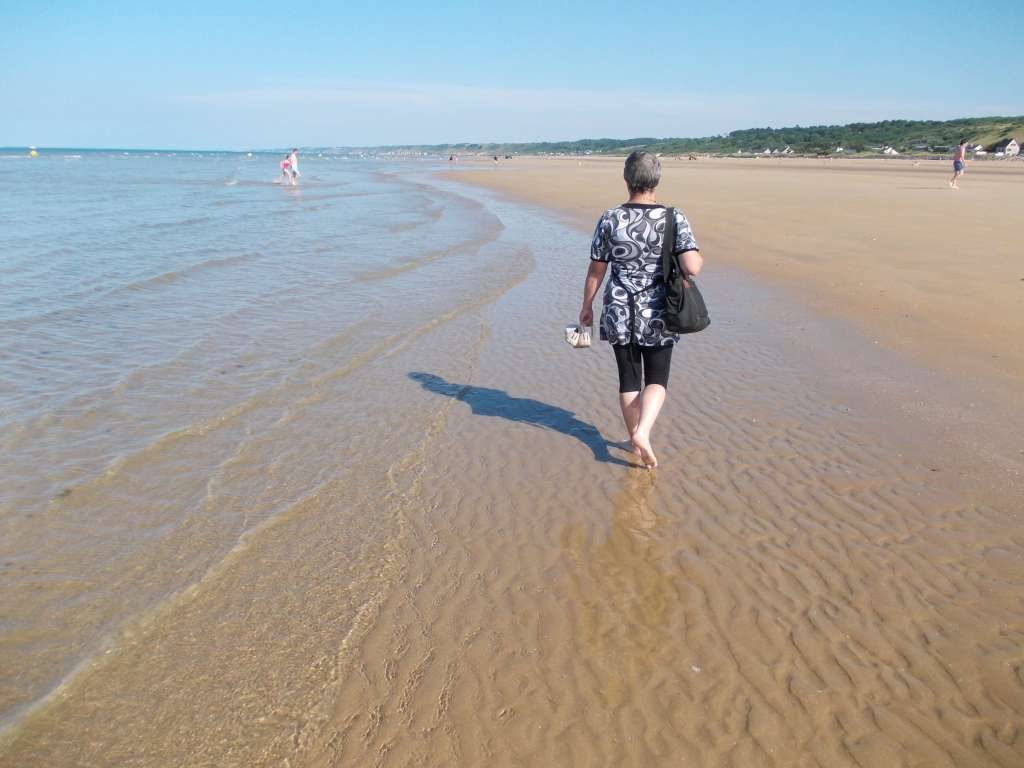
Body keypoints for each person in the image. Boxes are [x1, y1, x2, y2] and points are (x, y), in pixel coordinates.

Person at [579, 151, 703, 468]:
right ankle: (643, 432)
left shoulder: (610, 218)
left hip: (619, 308)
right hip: (660, 310)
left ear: (626, 179)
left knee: (629, 379)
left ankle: (635, 437)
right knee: (657, 379)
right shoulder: (674, 218)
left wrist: (586, 306)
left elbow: (596, 270)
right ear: (657, 180)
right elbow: (693, 266)